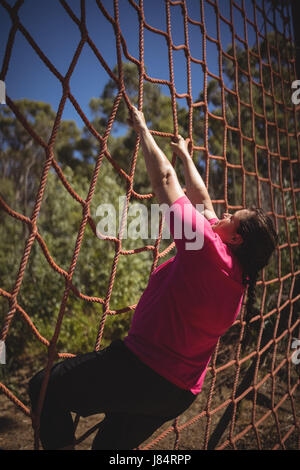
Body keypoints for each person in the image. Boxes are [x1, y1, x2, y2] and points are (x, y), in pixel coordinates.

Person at [28, 107, 278, 450]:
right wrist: (186, 156)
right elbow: (202, 199)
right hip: (176, 394)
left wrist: (143, 129)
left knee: (46, 387)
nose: (224, 212)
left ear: (236, 238)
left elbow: (163, 182)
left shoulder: (205, 247)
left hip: (142, 370)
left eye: (232, 215)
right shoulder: (236, 273)